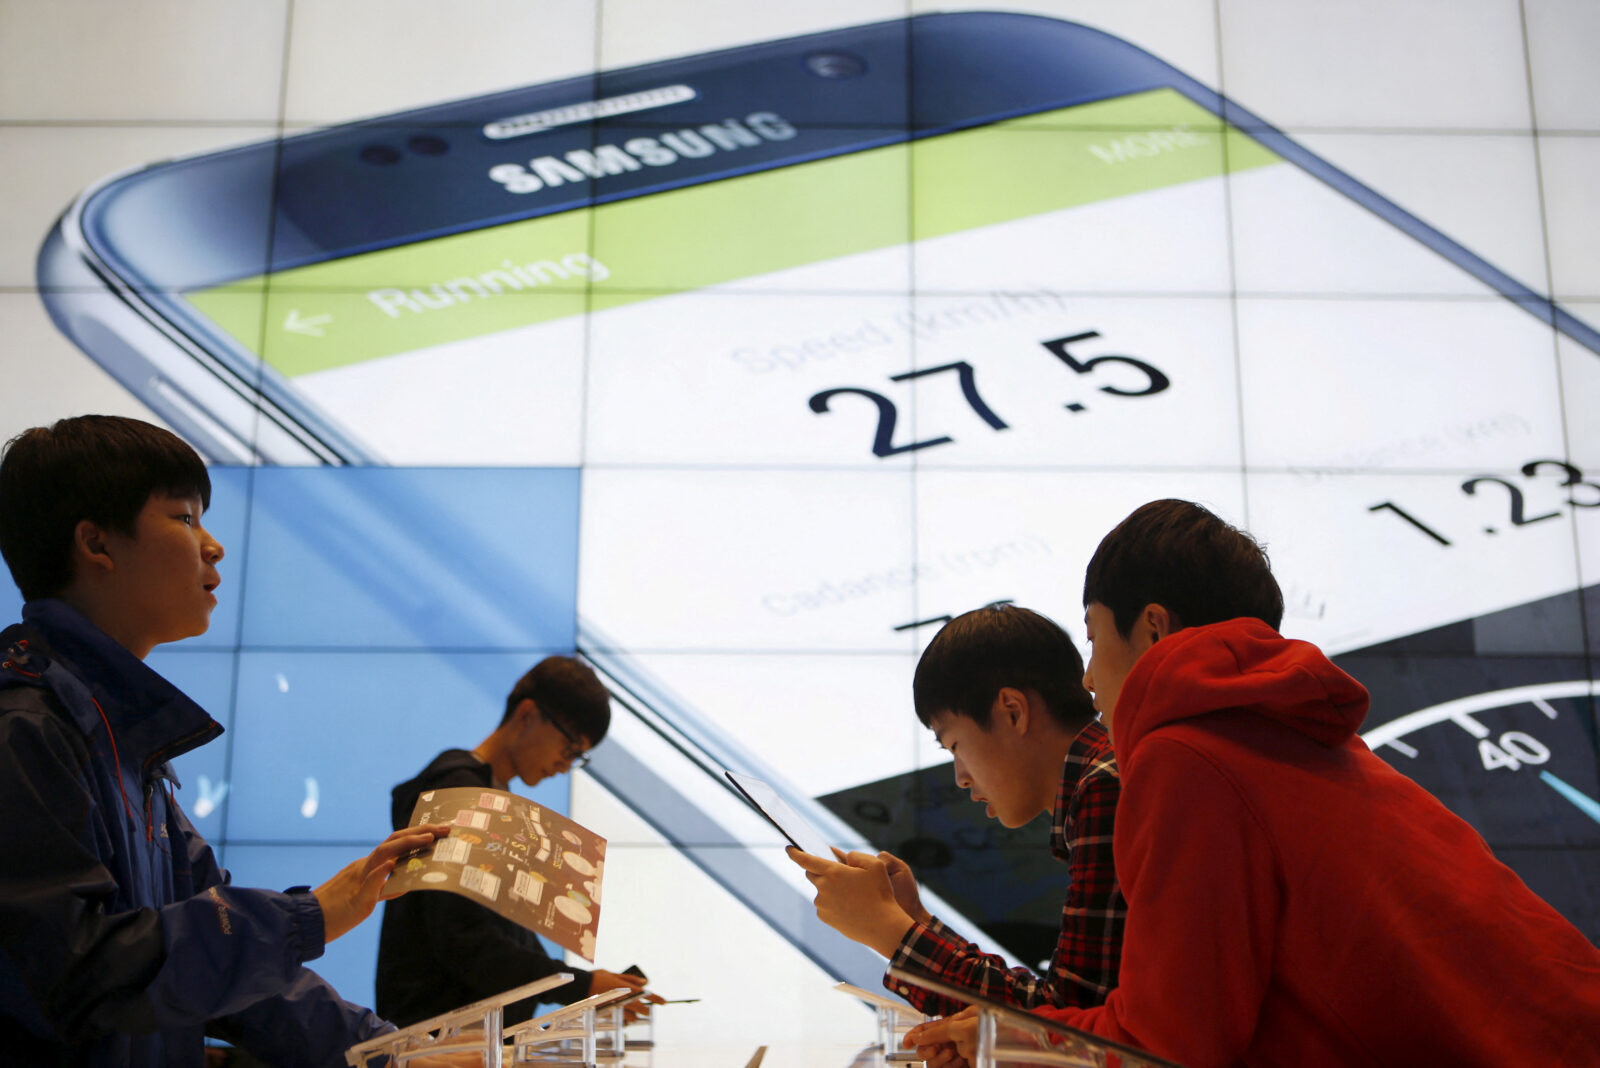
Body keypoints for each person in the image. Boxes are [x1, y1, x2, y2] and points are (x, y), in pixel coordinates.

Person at [909, 499, 1600, 1068]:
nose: (1088, 680)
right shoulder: (1283, 729)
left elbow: (1171, 1046)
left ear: (1152, 629)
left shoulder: (1185, 755)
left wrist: (1006, 1041)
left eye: (1093, 641)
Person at [0, 415, 459, 1067]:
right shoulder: (25, 726)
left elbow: (231, 981)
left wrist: (394, 1053)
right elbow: (81, 973)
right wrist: (311, 917)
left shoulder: (120, 738)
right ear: (96, 543)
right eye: (185, 518)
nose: (212, 547)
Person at [790, 603, 1126, 1016]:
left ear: (1012, 711)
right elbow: (1066, 1009)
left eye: (954, 745)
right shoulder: (1101, 775)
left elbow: (1068, 1023)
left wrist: (889, 931)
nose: (961, 778)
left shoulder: (1103, 788)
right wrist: (911, 920)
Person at [375, 656, 658, 1027]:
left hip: (468, 1039)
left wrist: (584, 988)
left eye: (577, 757)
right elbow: (463, 940)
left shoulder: (495, 799)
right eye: (569, 746)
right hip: (438, 1043)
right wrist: (581, 985)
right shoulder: (459, 792)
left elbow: (506, 936)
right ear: (527, 714)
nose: (564, 764)